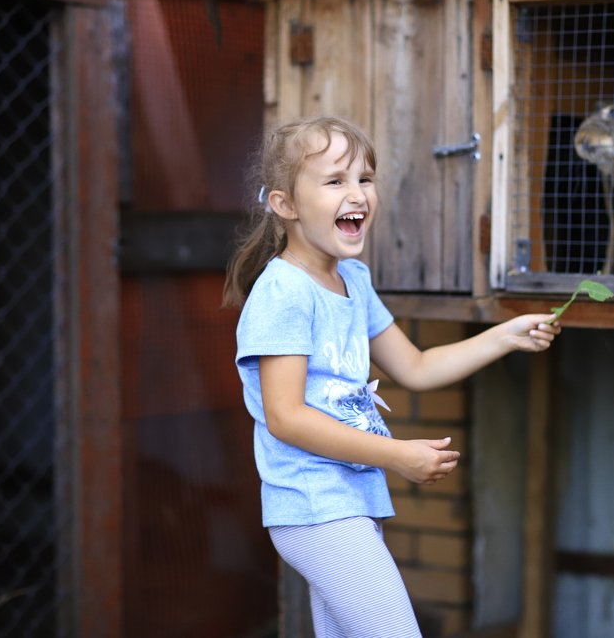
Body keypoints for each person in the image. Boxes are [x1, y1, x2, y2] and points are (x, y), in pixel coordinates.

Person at [223, 115, 560, 637]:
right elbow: (285, 418)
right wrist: (398, 456)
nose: (357, 193)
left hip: (349, 501)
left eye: (364, 178)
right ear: (285, 205)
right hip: (315, 504)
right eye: (335, 181)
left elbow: (416, 367)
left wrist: (505, 336)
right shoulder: (284, 292)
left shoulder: (352, 279)